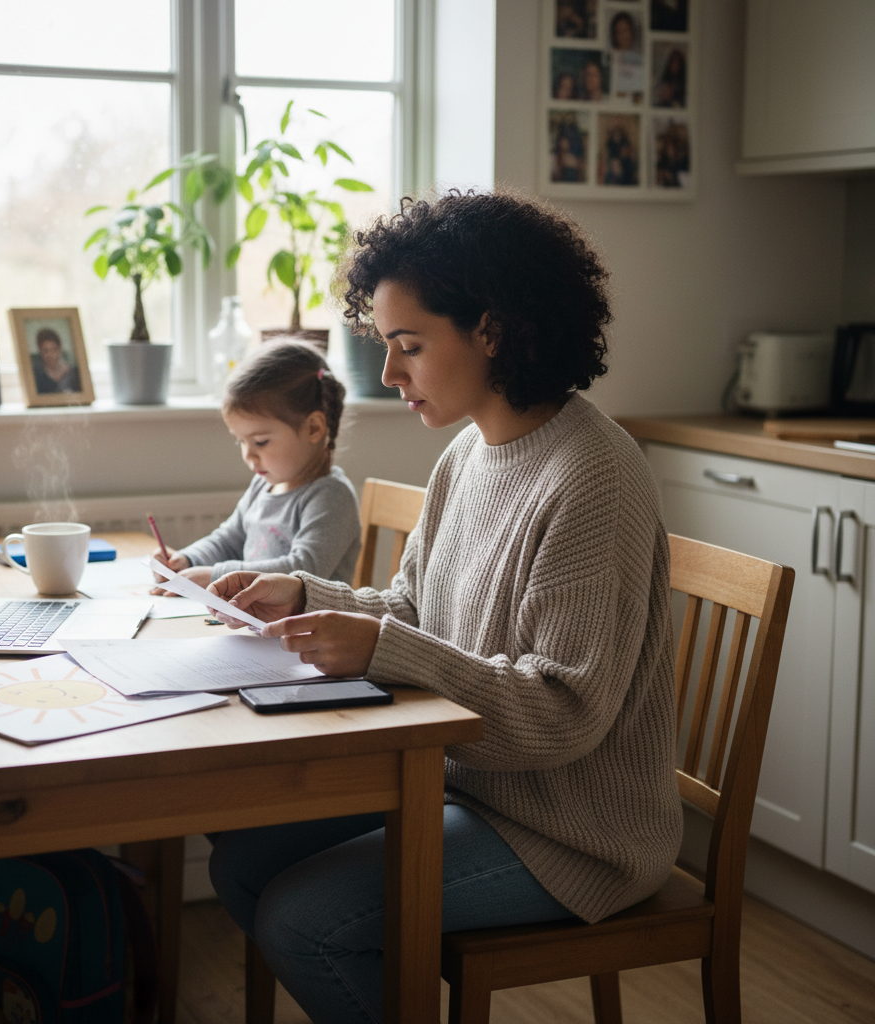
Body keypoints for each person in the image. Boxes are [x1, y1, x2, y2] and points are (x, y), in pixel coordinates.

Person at [206, 191, 682, 1024]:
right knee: (240, 863)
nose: (389, 375)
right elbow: (414, 607)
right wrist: (305, 593)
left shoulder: (592, 477)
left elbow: (563, 713)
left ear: (492, 330)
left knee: (303, 921)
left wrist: (384, 647)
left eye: (409, 346)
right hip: (467, 784)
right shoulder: (470, 452)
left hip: (574, 834)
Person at [151, 340, 361, 590]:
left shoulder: (330, 497)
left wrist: (216, 575)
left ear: (313, 428)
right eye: (241, 441)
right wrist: (187, 560)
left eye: (260, 442)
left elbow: (302, 570)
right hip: (259, 625)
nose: (248, 455)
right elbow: (229, 539)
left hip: (311, 629)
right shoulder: (263, 486)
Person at [31, 327, 81, 393]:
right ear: (40, 352)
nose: (50, 355)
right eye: (46, 351)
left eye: (53, 350)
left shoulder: (73, 373)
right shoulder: (37, 375)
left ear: (60, 349)